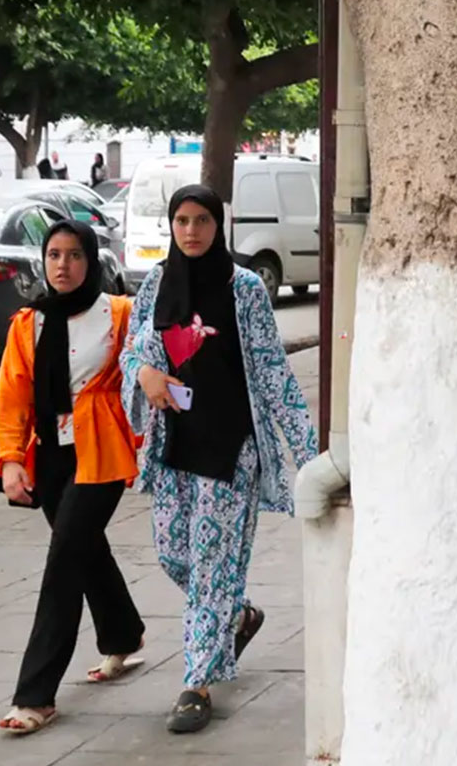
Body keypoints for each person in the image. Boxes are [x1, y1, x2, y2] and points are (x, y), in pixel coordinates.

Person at [122, 184, 316, 734]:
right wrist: (145, 373)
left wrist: (308, 455)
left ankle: (196, 683)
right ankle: (239, 615)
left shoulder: (245, 288)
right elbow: (134, 347)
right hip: (174, 447)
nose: (191, 231)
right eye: (181, 220)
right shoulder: (158, 284)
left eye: (202, 220)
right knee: (171, 554)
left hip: (232, 449)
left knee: (209, 570)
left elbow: (273, 371)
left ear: (218, 224)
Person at [0, 220, 146, 735]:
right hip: (51, 457)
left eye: (74, 255)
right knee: (84, 550)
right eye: (54, 255)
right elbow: (13, 397)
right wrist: (10, 458)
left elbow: (147, 368)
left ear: (92, 260)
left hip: (101, 452)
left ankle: (35, 695)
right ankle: (124, 634)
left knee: (63, 562)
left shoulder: (119, 314)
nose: (63, 265)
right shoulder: (28, 324)